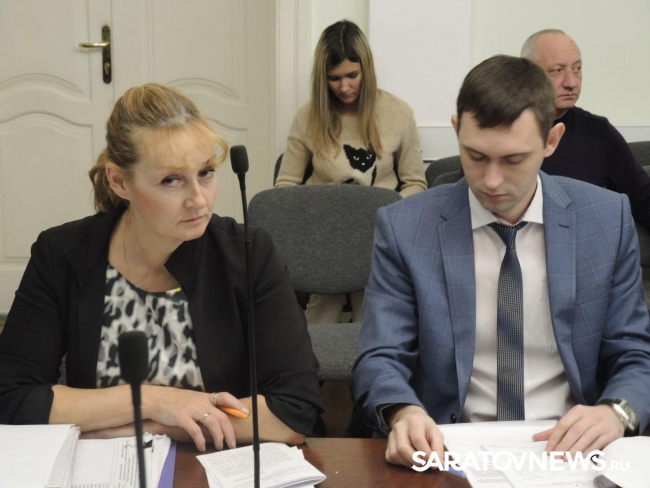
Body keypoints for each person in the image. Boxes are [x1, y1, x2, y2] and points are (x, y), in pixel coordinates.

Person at [352, 55, 650, 468]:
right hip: (448, 450)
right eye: (475, 156)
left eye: (513, 160)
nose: (491, 181)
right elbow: (380, 356)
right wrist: (403, 413)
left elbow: (634, 353)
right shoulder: (406, 227)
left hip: (569, 449)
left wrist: (616, 412)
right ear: (457, 130)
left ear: (551, 140)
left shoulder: (604, 220)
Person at [0, 83, 324, 451]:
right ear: (119, 181)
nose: (199, 200)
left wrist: (159, 426)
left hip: (214, 462)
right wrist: (153, 401)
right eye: (171, 180)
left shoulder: (249, 253)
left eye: (206, 172)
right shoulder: (62, 254)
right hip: (106, 466)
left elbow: (295, 411)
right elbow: (11, 395)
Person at [275, 20, 427, 324]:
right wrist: (310, 220)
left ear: (366, 70)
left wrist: (387, 213)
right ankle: (315, 356)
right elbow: (285, 186)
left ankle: (367, 354)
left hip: (376, 234)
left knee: (371, 304)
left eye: (352, 76)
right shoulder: (308, 116)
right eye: (334, 78)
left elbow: (416, 183)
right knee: (325, 305)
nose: (344, 87)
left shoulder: (398, 113)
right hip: (324, 234)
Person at [521, 29, 650, 228]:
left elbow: (644, 200)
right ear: (527, 74)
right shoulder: (503, 129)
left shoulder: (598, 132)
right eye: (557, 71)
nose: (572, 82)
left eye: (577, 68)